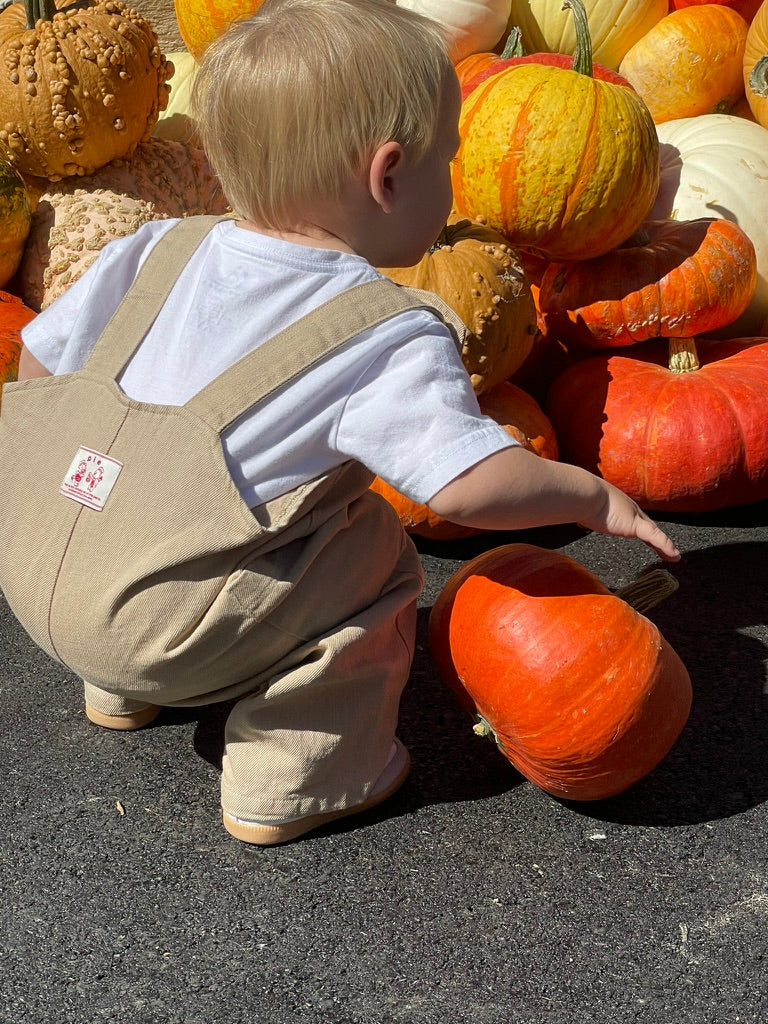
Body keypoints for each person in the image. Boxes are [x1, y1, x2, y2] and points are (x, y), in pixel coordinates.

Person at [0, 0, 680, 847]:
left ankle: (121, 691)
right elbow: (467, 485)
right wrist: (586, 495)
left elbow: (40, 367)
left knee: (151, 513)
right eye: (450, 162)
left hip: (34, 569)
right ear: (389, 176)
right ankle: (299, 773)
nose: (455, 183)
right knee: (374, 554)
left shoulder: (155, 249)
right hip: (158, 620)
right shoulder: (383, 327)